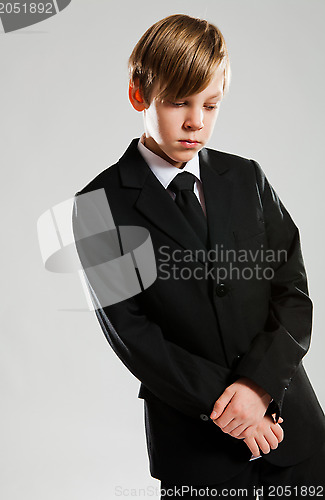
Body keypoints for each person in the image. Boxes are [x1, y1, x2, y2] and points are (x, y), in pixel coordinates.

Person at [72, 14, 325, 498]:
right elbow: (132, 333)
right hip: (196, 447)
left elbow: (292, 292)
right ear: (138, 96)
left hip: (294, 428)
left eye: (210, 104)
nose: (196, 122)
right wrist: (233, 407)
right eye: (178, 103)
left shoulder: (247, 177)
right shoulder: (98, 206)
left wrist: (260, 385)